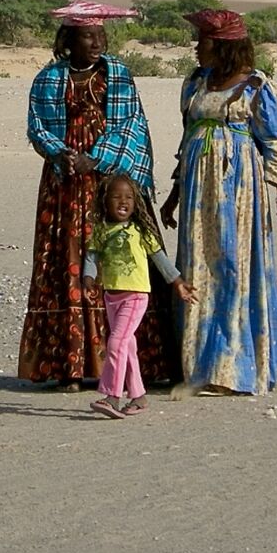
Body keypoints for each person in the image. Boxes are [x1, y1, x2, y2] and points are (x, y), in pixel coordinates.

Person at [18, 3, 161, 387]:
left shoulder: (119, 75)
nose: (97, 43)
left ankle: (123, 366)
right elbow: (37, 126)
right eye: (87, 36)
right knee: (66, 258)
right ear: (69, 40)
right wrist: (62, 153)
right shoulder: (48, 79)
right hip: (64, 182)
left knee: (117, 257)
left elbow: (130, 125)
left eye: (100, 36)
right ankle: (69, 366)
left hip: (109, 181)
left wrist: (95, 158)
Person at [162, 9, 277, 396]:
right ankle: (198, 365)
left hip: (239, 189)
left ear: (223, 46)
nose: (196, 49)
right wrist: (174, 193)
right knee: (197, 266)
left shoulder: (256, 87)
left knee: (233, 267)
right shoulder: (195, 83)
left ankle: (232, 369)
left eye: (202, 42)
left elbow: (272, 143)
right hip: (197, 189)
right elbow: (186, 139)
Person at [83, 172, 193, 419]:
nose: (123, 201)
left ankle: (112, 396)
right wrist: (88, 280)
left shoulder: (141, 231)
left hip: (135, 296)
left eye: (129, 197)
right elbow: (91, 257)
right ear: (105, 201)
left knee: (116, 343)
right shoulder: (101, 230)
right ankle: (138, 396)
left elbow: (159, 258)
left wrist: (177, 283)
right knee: (128, 346)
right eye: (116, 197)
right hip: (112, 297)